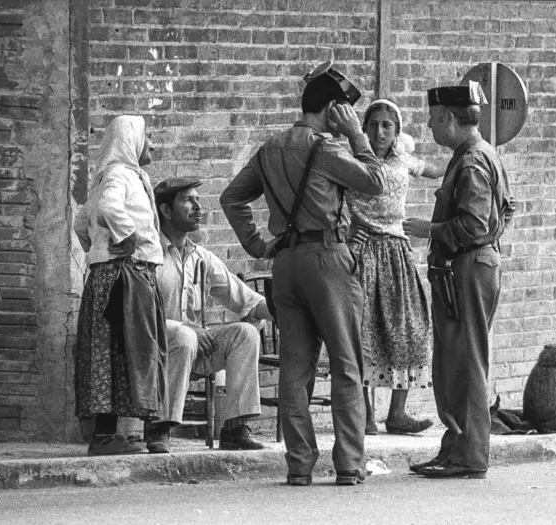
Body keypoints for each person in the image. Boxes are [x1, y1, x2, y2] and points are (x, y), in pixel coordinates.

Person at [219, 61, 385, 486]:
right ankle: (349, 464)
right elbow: (374, 181)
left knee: (295, 368)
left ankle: (299, 465)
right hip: (328, 259)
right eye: (342, 110)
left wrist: (259, 245)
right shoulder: (327, 149)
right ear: (333, 109)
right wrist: (356, 135)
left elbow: (232, 197)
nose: (344, 116)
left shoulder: (270, 149)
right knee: (347, 365)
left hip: (286, 265)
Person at [403, 82, 515, 478]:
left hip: (468, 267)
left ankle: (469, 457)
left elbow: (473, 222)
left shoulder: (470, 162)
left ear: (449, 118)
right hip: (473, 265)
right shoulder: (480, 154)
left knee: (466, 363)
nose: (430, 127)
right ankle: (454, 450)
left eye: (434, 119)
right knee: (456, 361)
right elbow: (507, 209)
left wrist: (429, 229)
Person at [146, 176, 272, 453]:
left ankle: (234, 428)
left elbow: (245, 300)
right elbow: (140, 315)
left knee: (245, 333)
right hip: (154, 347)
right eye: (189, 201)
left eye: (198, 200)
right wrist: (186, 328)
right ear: (166, 211)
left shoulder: (200, 257)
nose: (198, 207)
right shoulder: (149, 253)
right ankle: (159, 427)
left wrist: (281, 305)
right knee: (183, 334)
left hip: (193, 347)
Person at [346, 98, 443, 436]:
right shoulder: (353, 160)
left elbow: (435, 170)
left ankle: (397, 414)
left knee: (411, 329)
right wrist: (347, 233)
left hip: (397, 252)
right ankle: (365, 415)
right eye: (372, 125)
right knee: (363, 332)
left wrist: (470, 153)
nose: (379, 132)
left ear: (397, 130)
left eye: (387, 125)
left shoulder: (404, 160)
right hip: (364, 252)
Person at [74, 115, 168, 456]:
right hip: (124, 277)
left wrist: (97, 246)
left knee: (112, 352)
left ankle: (106, 435)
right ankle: (104, 438)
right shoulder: (119, 175)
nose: (153, 144)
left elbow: (82, 221)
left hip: (113, 274)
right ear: (131, 141)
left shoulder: (112, 176)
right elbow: (108, 208)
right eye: (148, 137)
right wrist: (125, 239)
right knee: (121, 350)